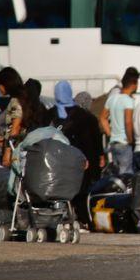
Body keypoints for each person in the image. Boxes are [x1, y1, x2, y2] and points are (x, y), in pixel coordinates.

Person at [60, 89, 104, 226]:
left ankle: (70, 214)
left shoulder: (69, 116)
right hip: (88, 158)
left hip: (70, 157)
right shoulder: (91, 119)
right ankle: (84, 218)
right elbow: (97, 140)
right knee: (85, 189)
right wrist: (101, 156)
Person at [101, 69, 138, 174]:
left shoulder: (112, 99)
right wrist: (131, 140)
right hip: (124, 142)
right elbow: (128, 122)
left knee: (116, 173)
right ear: (134, 83)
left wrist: (110, 134)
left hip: (114, 142)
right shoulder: (128, 101)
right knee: (126, 174)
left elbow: (102, 118)